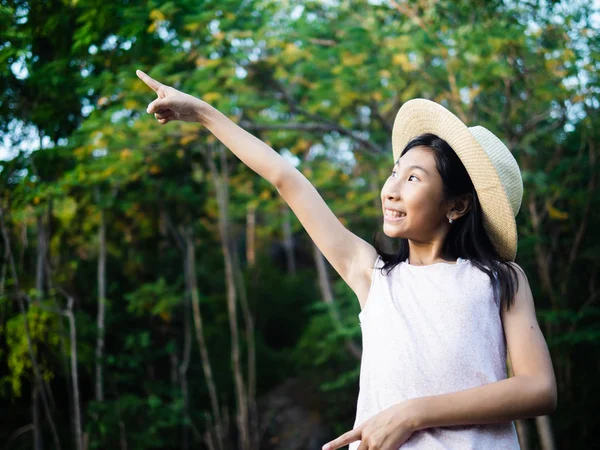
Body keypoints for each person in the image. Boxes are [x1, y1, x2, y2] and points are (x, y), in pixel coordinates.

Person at [136, 69, 557, 450]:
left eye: (413, 178)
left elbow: (539, 388)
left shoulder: (499, 279)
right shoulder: (374, 276)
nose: (391, 189)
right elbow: (286, 178)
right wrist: (206, 114)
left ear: (458, 205)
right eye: (395, 172)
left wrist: (412, 413)